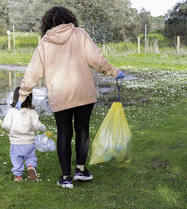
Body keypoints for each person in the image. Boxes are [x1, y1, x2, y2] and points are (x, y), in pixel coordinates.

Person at [17, 6, 125, 189]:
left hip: (60, 94)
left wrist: (23, 94)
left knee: (64, 134)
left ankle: (66, 177)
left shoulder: (45, 41)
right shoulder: (80, 34)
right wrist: (114, 72)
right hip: (83, 92)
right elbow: (97, 60)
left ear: (48, 22)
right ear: (69, 19)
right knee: (82, 130)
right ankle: (81, 170)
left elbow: (33, 71)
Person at [2, 87, 47, 182]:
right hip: (29, 142)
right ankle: (31, 166)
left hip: (15, 143)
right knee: (30, 156)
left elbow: (7, 125)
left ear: (14, 98)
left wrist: (3, 125)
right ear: (30, 98)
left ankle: (18, 176)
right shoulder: (32, 112)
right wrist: (44, 128)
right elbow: (36, 125)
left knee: (16, 159)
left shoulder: (11, 111)